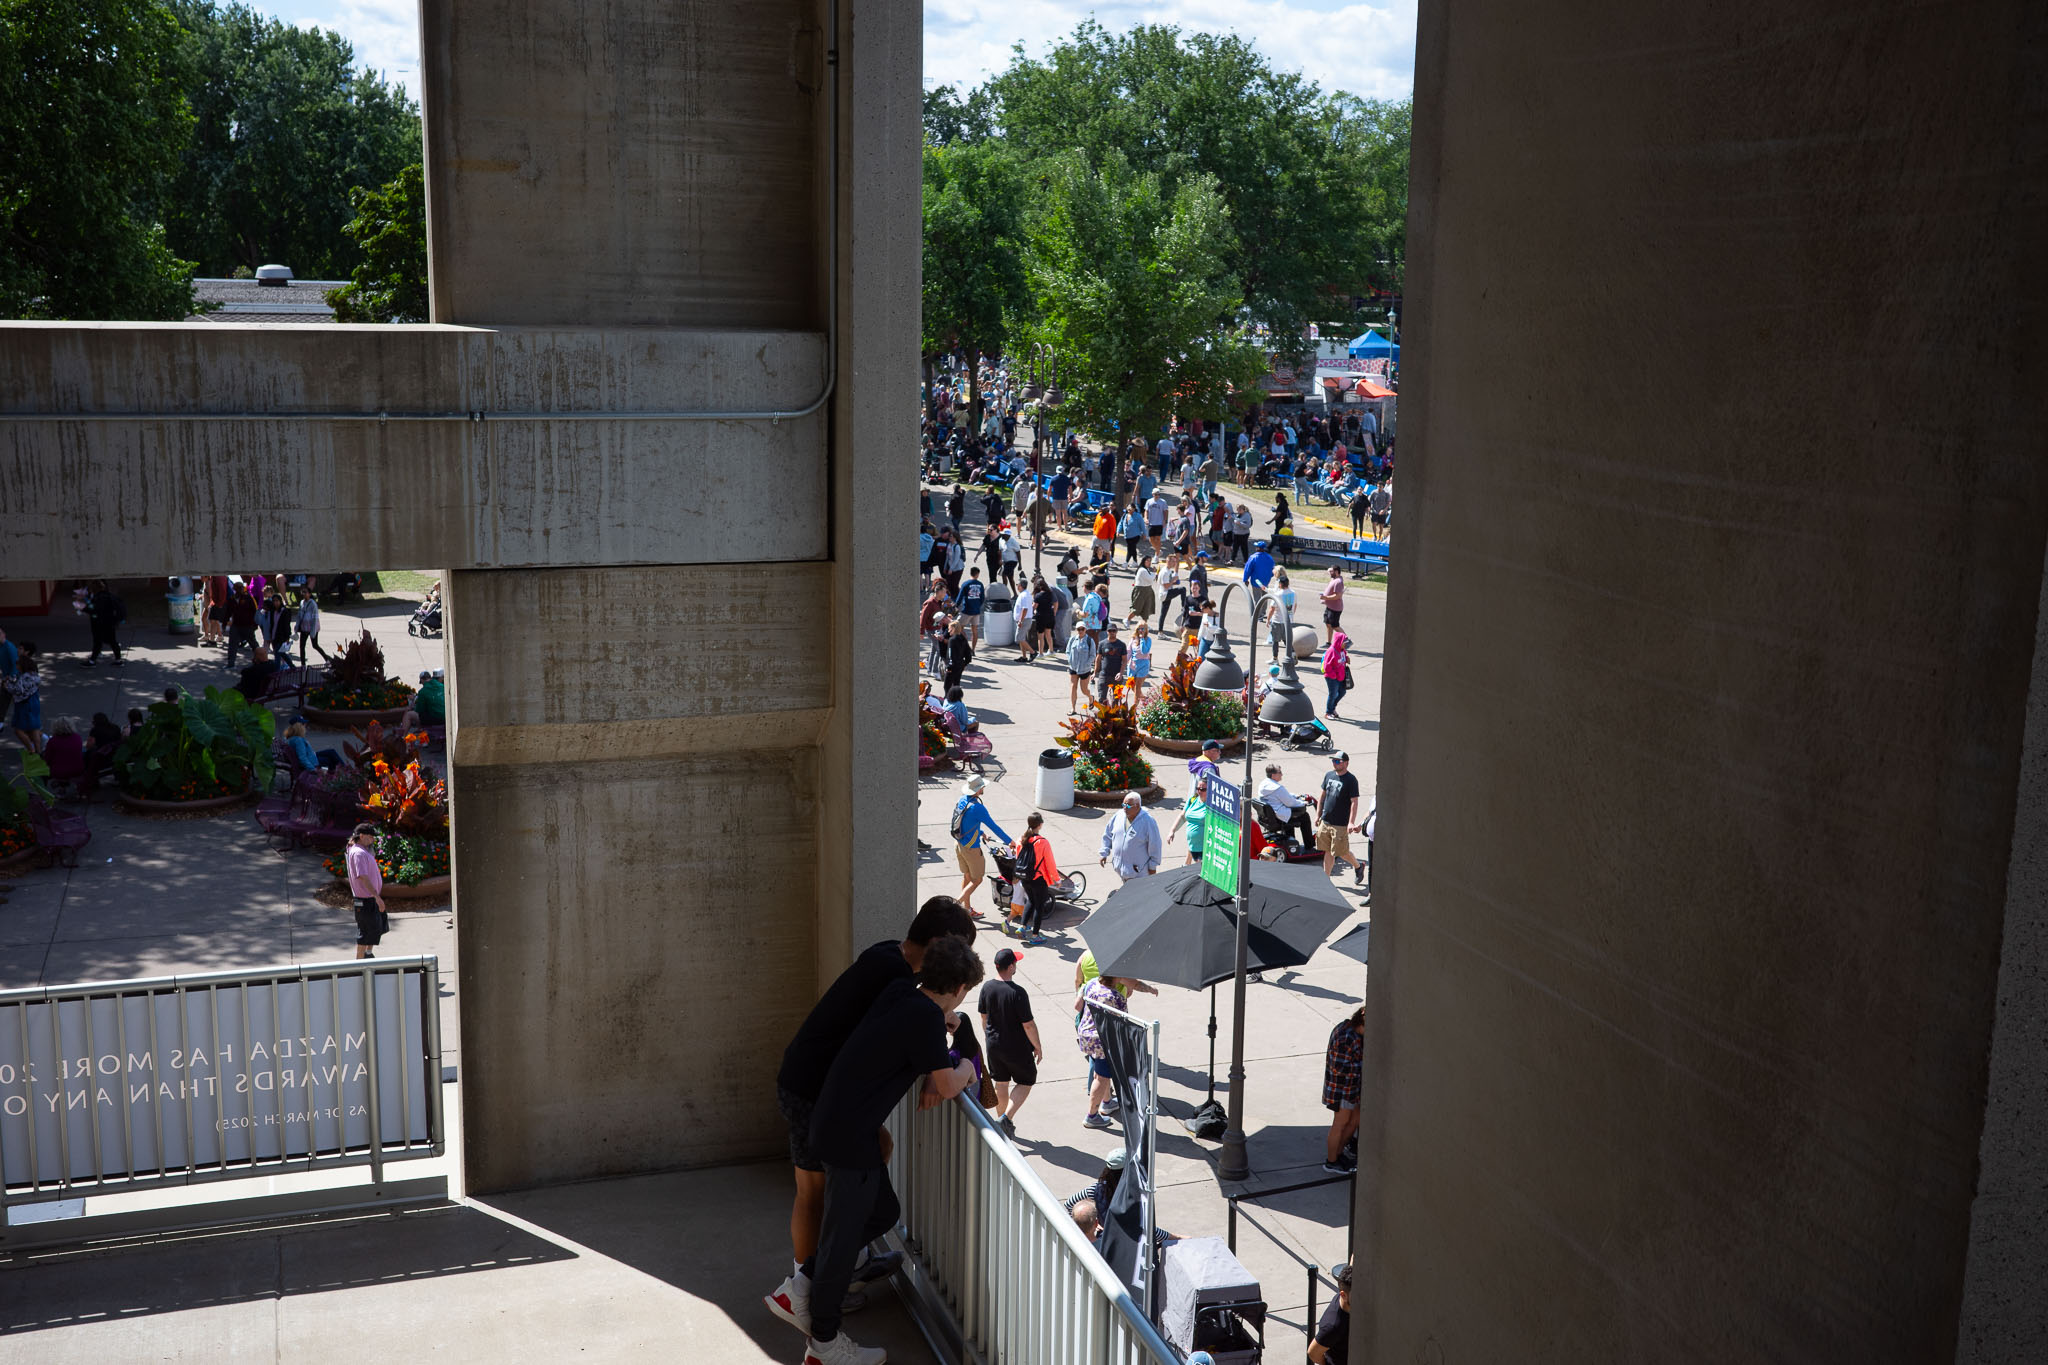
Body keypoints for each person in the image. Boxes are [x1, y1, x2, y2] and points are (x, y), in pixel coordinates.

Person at [766, 897, 975, 1341]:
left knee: (870, 1168)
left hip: (826, 1093)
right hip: (812, 1090)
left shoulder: (891, 960)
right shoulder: (895, 979)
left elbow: (886, 1033)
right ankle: (813, 1292)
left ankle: (825, 1280)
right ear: (937, 943)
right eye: (954, 949)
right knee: (816, 1196)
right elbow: (882, 1038)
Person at [979, 947, 1041, 1137]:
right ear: (1011, 966)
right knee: (1026, 1080)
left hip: (994, 1045)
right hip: (1016, 1047)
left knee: (1001, 1083)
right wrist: (1038, 1046)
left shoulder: (987, 987)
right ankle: (1006, 1118)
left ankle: (1001, 1126)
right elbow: (1028, 1025)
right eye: (1015, 963)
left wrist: (990, 1037)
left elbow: (984, 1017)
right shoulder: (1018, 993)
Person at [1076, 972, 1136, 1129]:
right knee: (1102, 1077)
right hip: (1102, 1040)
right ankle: (1092, 1115)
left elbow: (1078, 1005)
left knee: (1100, 1070)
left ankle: (1107, 1103)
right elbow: (1122, 1021)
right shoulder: (1116, 997)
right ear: (1116, 977)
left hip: (1086, 1034)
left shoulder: (1091, 984)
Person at [951, 774, 1012, 916]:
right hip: (971, 849)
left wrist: (981, 832)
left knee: (967, 877)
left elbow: (965, 823)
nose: (984, 787)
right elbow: (995, 827)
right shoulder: (978, 808)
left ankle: (967, 909)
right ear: (979, 789)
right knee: (977, 879)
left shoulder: (962, 800)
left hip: (958, 843)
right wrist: (1010, 842)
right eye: (983, 786)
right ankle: (955, 907)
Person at [1322, 1006, 1365, 1174]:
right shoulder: (1346, 1036)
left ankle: (1339, 1154)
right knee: (1340, 1124)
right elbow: (1340, 1067)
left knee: (1354, 1120)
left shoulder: (1349, 1029)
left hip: (1350, 1089)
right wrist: (1364, 1064)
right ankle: (1331, 1161)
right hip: (1340, 1090)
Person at [1318, 752, 1366, 884]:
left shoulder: (1351, 780)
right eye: (1333, 761)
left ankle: (1358, 866)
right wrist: (1318, 815)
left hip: (1340, 824)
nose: (1335, 763)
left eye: (1338, 761)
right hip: (1326, 821)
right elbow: (1322, 796)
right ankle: (1326, 880)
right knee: (1328, 851)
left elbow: (1354, 802)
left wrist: (1351, 822)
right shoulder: (1329, 775)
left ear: (1346, 763)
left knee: (1342, 852)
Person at [1098, 791, 1163, 882]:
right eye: (1123, 804)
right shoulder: (1118, 815)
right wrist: (1104, 852)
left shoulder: (1148, 821)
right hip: (1121, 869)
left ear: (1137, 806)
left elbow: (1155, 845)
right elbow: (1108, 833)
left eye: (1128, 805)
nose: (1124, 808)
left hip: (1139, 873)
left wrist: (1152, 867)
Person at [345, 823, 387, 960]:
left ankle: (368, 954)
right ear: (361, 836)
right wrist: (377, 897)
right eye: (370, 837)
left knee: (377, 928)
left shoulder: (361, 849)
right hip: (366, 899)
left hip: (371, 898)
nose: (373, 840)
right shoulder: (358, 853)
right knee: (365, 933)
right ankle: (359, 962)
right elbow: (363, 876)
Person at [1257, 763, 1316, 848]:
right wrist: (1303, 803)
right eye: (1279, 772)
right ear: (1273, 775)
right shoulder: (1278, 788)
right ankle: (1309, 845)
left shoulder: (1264, 784)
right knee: (1305, 816)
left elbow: (1283, 796)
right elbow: (1290, 803)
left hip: (1271, 817)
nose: (1282, 774)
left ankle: (1291, 842)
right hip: (1279, 817)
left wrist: (1295, 796)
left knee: (1291, 815)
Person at [1309, 1261, 1354, 1365]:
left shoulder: (1348, 1301)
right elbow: (1313, 1353)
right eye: (1356, 1295)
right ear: (1343, 1295)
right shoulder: (1334, 1326)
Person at [1168, 772, 1210, 866]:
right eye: (1198, 788)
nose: (1199, 791)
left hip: (1205, 849)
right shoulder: (1193, 800)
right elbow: (1182, 816)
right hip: (1193, 847)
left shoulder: (1212, 806)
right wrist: (1172, 831)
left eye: (1202, 789)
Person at [82, 580, 125, 667]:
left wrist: (84, 608)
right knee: (113, 641)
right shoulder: (109, 596)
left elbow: (95, 610)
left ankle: (92, 661)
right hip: (110, 623)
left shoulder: (98, 598)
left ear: (94, 589)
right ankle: (118, 660)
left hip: (100, 624)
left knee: (98, 642)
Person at [7, 652, 43, 753]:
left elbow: (17, 690)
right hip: (34, 704)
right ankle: (38, 751)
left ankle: (31, 750)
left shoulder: (25, 677)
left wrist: (6, 685)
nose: (16, 666)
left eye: (17, 663)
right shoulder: (33, 675)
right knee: (34, 729)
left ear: (23, 665)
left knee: (18, 730)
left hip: (25, 706)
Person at [224, 583, 259, 668]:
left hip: (248, 625)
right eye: (238, 588)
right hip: (235, 625)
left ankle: (261, 660)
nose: (240, 590)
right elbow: (228, 612)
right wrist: (225, 622)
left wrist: (255, 624)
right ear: (235, 589)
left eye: (241, 588)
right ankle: (230, 663)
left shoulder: (248, 598)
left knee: (253, 644)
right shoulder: (231, 599)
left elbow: (254, 611)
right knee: (232, 644)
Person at [1065, 622, 1097, 714]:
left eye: (1082, 629)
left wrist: (1087, 664)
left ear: (1085, 629)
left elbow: (1093, 655)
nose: (1080, 631)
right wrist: (1070, 660)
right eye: (1079, 629)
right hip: (1073, 668)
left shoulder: (1089, 641)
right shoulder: (1072, 639)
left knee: (1084, 690)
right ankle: (1073, 708)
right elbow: (1067, 651)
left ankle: (1091, 698)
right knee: (1073, 687)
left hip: (1084, 669)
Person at [1094, 621, 1127, 703]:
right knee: (1102, 699)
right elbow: (1098, 659)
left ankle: (1116, 715)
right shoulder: (1102, 643)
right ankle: (1103, 715)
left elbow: (1124, 660)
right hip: (1104, 675)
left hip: (1117, 676)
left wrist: (1121, 673)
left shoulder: (1121, 645)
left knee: (1117, 700)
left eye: (1114, 631)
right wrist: (1095, 673)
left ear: (1116, 631)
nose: (1112, 633)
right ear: (1107, 631)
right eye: (1110, 631)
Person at [1324, 627, 1353, 719]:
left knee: (1342, 692)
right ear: (1339, 642)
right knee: (1333, 694)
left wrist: (1346, 659)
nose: (1346, 645)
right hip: (1332, 677)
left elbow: (1341, 660)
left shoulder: (1342, 651)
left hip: (1340, 676)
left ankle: (1332, 708)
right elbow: (1327, 667)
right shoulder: (1331, 651)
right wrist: (1333, 676)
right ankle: (1328, 712)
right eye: (1345, 643)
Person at [1127, 619, 1155, 707]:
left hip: (1143, 665)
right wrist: (1124, 663)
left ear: (1146, 630)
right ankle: (1143, 698)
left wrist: (1142, 639)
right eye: (1139, 628)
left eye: (1143, 629)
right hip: (1133, 665)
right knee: (1131, 686)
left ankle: (1134, 708)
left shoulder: (1148, 640)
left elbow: (1144, 651)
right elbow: (1129, 651)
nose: (1141, 630)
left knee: (1137, 687)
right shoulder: (1133, 639)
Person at [943, 619, 974, 693]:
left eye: (949, 629)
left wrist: (949, 667)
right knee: (956, 684)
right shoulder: (963, 638)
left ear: (953, 628)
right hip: (960, 665)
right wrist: (965, 663)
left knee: (947, 686)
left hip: (952, 666)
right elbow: (968, 653)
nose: (948, 631)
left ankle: (948, 700)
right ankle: (956, 700)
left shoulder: (952, 640)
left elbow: (950, 654)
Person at [1320, 566, 1346, 645]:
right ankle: (1328, 642)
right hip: (1330, 607)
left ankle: (1346, 640)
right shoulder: (1334, 579)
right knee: (1328, 624)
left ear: (1337, 572)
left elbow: (1337, 596)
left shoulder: (1338, 582)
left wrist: (1325, 597)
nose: (1330, 573)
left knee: (1335, 626)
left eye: (1331, 572)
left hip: (1335, 608)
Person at [1129, 557, 1157, 626]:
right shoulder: (1142, 570)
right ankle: (1127, 620)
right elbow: (1150, 579)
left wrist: (1153, 574)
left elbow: (1151, 580)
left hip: (1148, 590)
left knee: (1146, 610)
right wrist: (1154, 573)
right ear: (1144, 561)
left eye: (1150, 561)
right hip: (1141, 590)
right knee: (1137, 608)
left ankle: (1144, 625)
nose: (1149, 562)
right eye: (1147, 561)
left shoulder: (1147, 570)